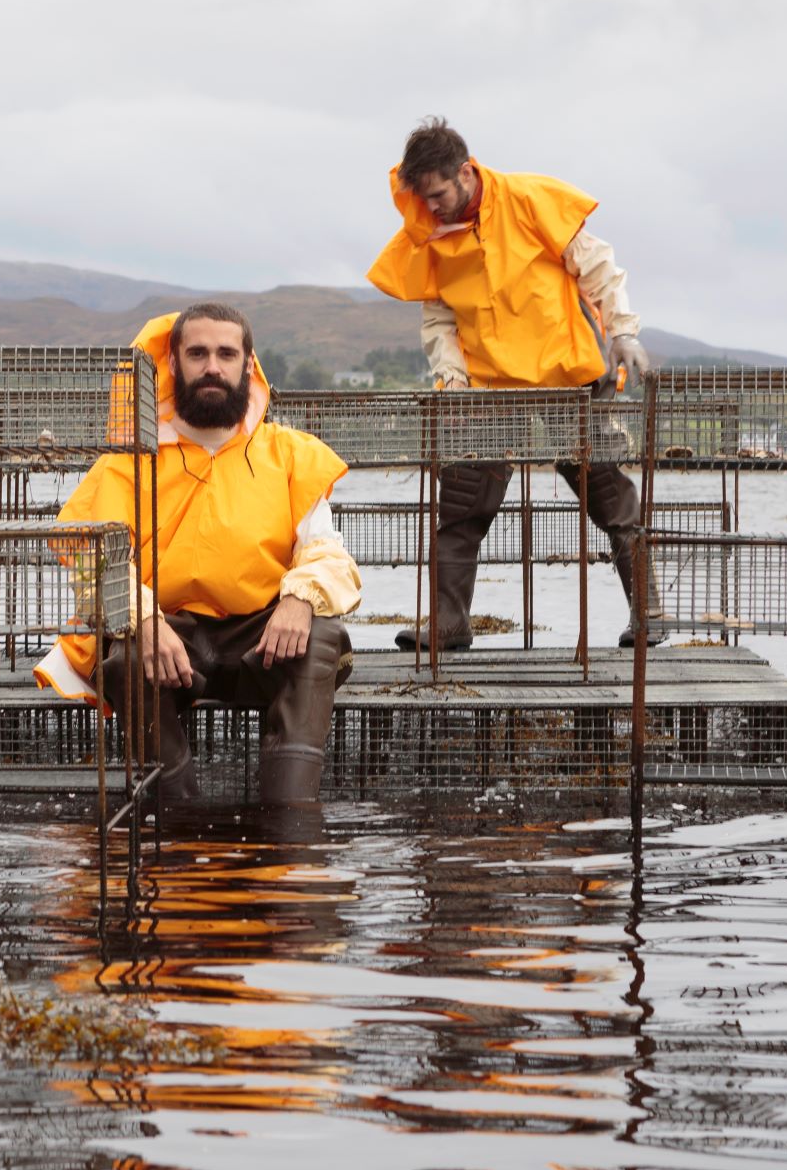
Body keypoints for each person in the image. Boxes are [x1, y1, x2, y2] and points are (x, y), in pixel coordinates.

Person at [37, 304, 361, 806]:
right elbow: (92, 563)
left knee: (321, 634)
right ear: (172, 365)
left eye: (226, 353)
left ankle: (291, 832)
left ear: (248, 366)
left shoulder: (291, 453)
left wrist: (298, 600)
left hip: (260, 637)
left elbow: (327, 553)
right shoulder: (125, 463)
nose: (213, 366)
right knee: (124, 658)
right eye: (198, 353)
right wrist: (143, 619)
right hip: (168, 635)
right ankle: (177, 823)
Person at [367, 116, 661, 650]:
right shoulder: (430, 231)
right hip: (486, 389)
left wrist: (622, 332)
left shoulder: (529, 199)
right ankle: (450, 624)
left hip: (565, 377)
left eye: (438, 194)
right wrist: (451, 376)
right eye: (424, 198)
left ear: (464, 171)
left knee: (610, 495)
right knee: (461, 503)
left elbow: (595, 265)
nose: (432, 207)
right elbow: (438, 318)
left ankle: (649, 614)